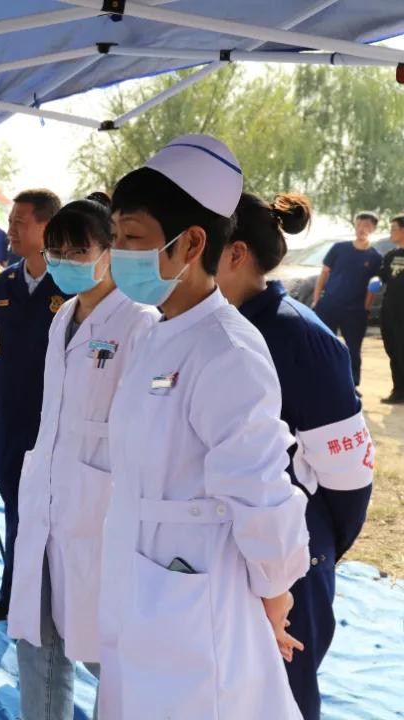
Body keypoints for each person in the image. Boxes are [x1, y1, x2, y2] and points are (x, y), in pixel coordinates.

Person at [101, 135, 309, 719]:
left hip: (196, 594)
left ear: (192, 243)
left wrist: (276, 589)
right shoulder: (154, 332)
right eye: (115, 236)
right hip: (142, 582)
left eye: (132, 238)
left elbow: (260, 490)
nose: (118, 253)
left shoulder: (228, 350)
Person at [217, 192, 374, 719]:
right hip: (232, 545)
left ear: (235, 254)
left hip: (294, 553)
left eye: (197, 243)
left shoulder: (296, 335)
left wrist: (316, 549)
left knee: (282, 694)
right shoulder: (212, 327)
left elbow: (348, 478)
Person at [7, 196, 158, 718]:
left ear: (108, 251)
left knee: (105, 650)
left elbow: (146, 429)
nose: (65, 262)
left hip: (100, 510)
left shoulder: (140, 323)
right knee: (37, 638)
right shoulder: (63, 316)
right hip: (49, 500)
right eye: (56, 252)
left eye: (78, 251)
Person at [0, 188, 69, 623]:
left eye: (20, 222)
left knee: (43, 511)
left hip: (49, 416)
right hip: (7, 411)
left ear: (47, 228)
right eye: (10, 220)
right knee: (13, 504)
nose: (11, 229)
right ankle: (14, 595)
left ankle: (33, 600)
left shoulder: (70, 286)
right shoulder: (5, 283)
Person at [312, 211, 383, 388]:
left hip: (355, 311)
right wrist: (317, 299)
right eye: (358, 224)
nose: (361, 229)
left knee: (353, 349)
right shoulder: (339, 248)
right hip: (329, 306)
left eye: (366, 226)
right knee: (324, 345)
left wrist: (366, 308)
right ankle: (323, 382)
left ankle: (352, 386)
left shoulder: (375, 257)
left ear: (373, 229)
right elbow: (324, 274)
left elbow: (373, 286)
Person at [377, 214, 404, 403]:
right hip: (390, 311)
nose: (390, 232)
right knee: (393, 350)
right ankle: (399, 391)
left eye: (393, 228)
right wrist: (376, 280)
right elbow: (382, 276)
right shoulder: (391, 255)